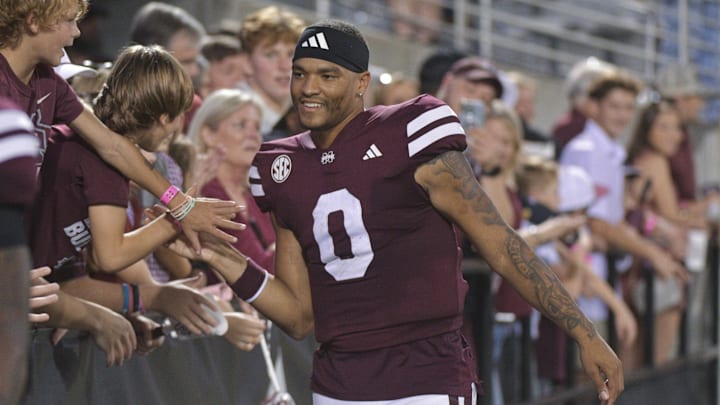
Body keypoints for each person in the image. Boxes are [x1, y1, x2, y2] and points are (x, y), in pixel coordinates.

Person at [171, 20, 623, 404]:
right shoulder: (278, 166)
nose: (309, 88)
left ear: (361, 83)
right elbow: (297, 317)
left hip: (424, 370)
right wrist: (224, 259)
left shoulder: (410, 131)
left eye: (328, 76)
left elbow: (502, 246)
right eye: (300, 74)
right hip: (337, 379)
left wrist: (583, 331)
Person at [0, 0, 241, 253]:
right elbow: (110, 258)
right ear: (33, 21)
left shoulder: (50, 82)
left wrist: (181, 204)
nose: (77, 32)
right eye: (69, 20)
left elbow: (111, 145)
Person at [28, 45, 228, 339]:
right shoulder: (102, 163)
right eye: (180, 115)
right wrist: (176, 220)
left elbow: (71, 279)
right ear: (164, 118)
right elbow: (111, 256)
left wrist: (82, 314)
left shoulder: (86, 150)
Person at [560, 71, 688, 356]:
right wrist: (652, 253)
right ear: (594, 107)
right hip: (584, 283)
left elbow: (611, 220)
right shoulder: (587, 150)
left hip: (602, 282)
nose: (623, 115)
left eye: (629, 107)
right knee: (589, 380)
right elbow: (596, 223)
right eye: (615, 106)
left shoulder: (610, 151)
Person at [238, 6, 305, 137]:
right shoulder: (231, 113)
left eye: (291, 54)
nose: (285, 66)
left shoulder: (305, 115)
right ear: (247, 62)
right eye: (271, 55)